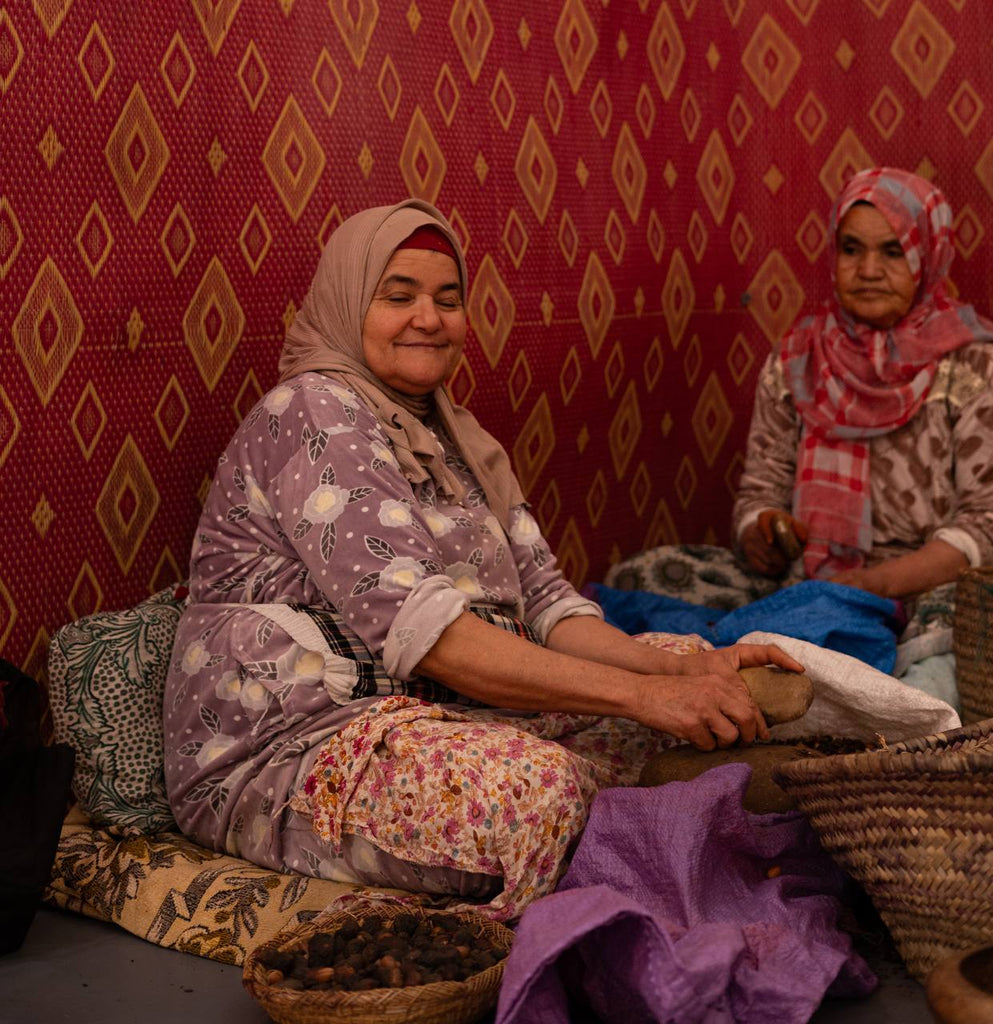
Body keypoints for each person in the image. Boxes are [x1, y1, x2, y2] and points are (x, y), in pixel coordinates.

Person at [163, 199, 800, 922]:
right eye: (397, 296)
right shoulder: (314, 411)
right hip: (298, 749)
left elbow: (550, 606)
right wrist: (643, 695)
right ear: (345, 303)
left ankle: (659, 831)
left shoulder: (457, 439)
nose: (428, 318)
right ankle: (644, 857)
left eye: (447, 299)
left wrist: (677, 672)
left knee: (686, 672)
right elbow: (429, 636)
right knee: (544, 790)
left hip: (444, 715)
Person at [606, 167, 993, 689]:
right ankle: (798, 666)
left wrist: (867, 584)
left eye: (893, 251)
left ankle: (865, 705)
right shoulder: (800, 359)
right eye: (852, 249)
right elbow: (759, 492)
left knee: (948, 645)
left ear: (929, 257)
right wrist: (763, 531)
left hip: (922, 586)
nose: (869, 269)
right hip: (808, 578)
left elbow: (983, 526)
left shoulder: (971, 366)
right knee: (639, 579)